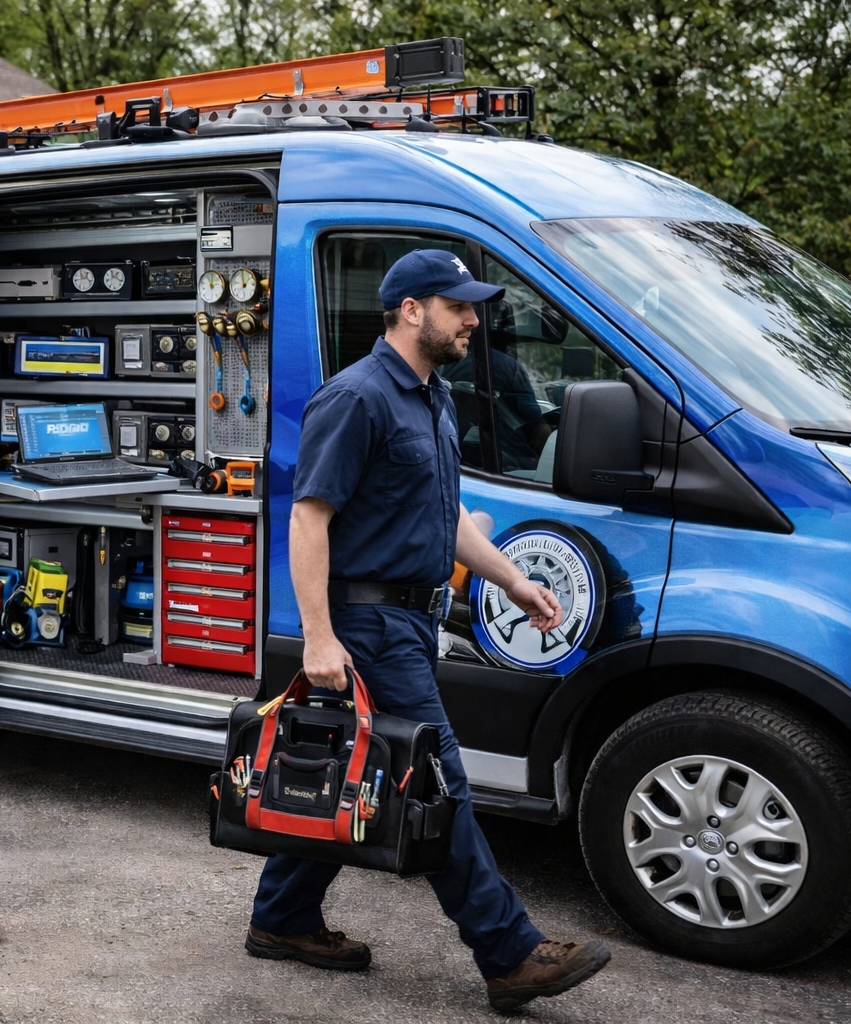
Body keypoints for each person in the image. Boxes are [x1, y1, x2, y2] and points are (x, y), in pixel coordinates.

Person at [244, 250, 610, 1013]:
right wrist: (318, 636)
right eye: (459, 306)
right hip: (365, 621)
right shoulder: (356, 399)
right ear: (411, 310)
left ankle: (282, 919)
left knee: (365, 769)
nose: (474, 320)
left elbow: (443, 517)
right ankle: (509, 953)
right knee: (436, 783)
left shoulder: (433, 397)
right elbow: (309, 519)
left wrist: (511, 580)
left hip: (410, 619)